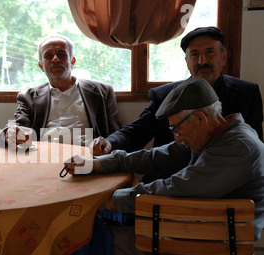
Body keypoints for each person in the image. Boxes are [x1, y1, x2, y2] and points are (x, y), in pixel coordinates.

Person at [66, 77, 264, 255]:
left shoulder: (237, 148)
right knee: (108, 234)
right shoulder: (216, 134)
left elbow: (178, 188)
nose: (177, 138)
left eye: (177, 130)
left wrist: (110, 201)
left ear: (199, 118)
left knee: (94, 245)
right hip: (198, 237)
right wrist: (101, 164)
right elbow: (157, 156)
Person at [91, 27, 263, 166]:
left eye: (210, 52)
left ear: (224, 57)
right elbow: (136, 133)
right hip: (169, 173)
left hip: (224, 179)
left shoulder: (246, 92)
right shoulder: (165, 95)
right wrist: (109, 143)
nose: (202, 61)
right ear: (187, 61)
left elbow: (255, 143)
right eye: (194, 54)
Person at [0, 34, 122, 147]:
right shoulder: (28, 97)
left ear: (72, 61)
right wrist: (10, 132)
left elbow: (117, 136)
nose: (55, 59)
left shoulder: (102, 91)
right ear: (41, 66)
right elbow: (17, 126)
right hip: (43, 159)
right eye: (48, 56)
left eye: (61, 54)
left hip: (87, 160)